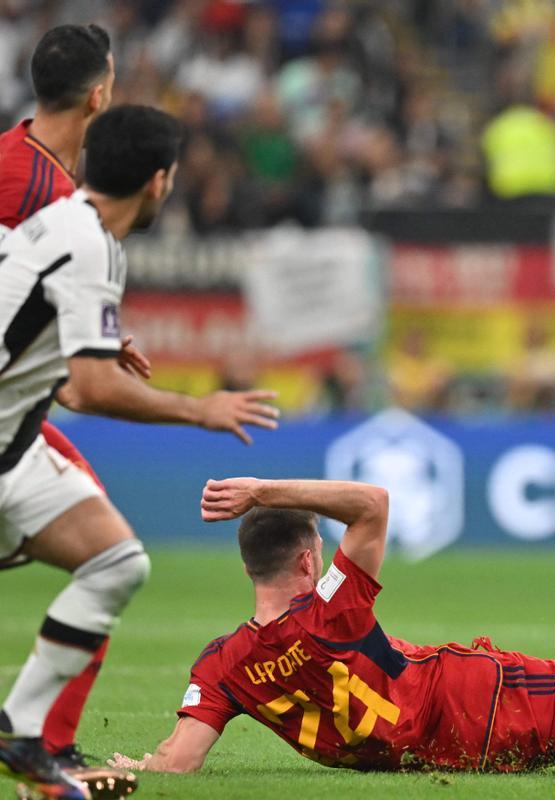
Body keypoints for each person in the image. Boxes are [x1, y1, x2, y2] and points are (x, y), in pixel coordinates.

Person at [108, 477, 555, 782]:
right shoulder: (331, 609)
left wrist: (118, 771)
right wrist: (264, 491)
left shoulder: (220, 664)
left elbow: (180, 760)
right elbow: (372, 503)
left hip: (435, 757)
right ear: (306, 558)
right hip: (485, 698)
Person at [0, 106, 280, 800]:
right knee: (114, 562)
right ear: (161, 182)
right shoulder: (92, 242)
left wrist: (77, 340)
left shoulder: (62, 222)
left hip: (15, 447)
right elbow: (88, 390)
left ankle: (21, 734)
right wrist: (200, 409)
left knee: (116, 560)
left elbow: (65, 367)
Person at [0, 26, 150, 778]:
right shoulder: (24, 182)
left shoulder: (45, 175)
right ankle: (40, 744)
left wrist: (96, 338)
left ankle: (42, 742)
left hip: (23, 406)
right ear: (100, 94)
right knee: (111, 553)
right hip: (10, 419)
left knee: (111, 557)